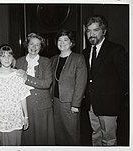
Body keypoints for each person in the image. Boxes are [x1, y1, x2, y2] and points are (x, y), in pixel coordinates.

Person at [83, 15, 128, 146]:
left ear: (104, 31)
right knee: (96, 135)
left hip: (109, 105)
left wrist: (116, 98)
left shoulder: (116, 50)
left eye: (95, 30)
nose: (91, 34)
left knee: (109, 138)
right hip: (91, 104)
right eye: (88, 31)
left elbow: (125, 78)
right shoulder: (85, 52)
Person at [0, 44, 30, 146]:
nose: (7, 58)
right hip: (2, 120)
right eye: (3, 56)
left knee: (17, 145)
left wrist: (25, 117)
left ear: (12, 57)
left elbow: (23, 97)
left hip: (17, 117)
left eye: (9, 55)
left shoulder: (18, 74)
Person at [15, 33, 55, 145]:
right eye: (32, 44)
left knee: (43, 137)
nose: (34, 47)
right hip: (25, 103)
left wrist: (26, 77)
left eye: (38, 45)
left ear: (41, 47)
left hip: (42, 105)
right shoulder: (19, 61)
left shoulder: (46, 61)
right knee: (28, 137)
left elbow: (47, 83)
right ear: (27, 45)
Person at [51, 29, 87, 145]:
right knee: (58, 133)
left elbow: (81, 83)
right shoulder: (53, 59)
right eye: (59, 40)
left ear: (71, 43)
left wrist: (76, 104)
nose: (62, 42)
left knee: (71, 134)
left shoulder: (78, 58)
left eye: (65, 40)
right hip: (56, 102)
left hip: (70, 103)